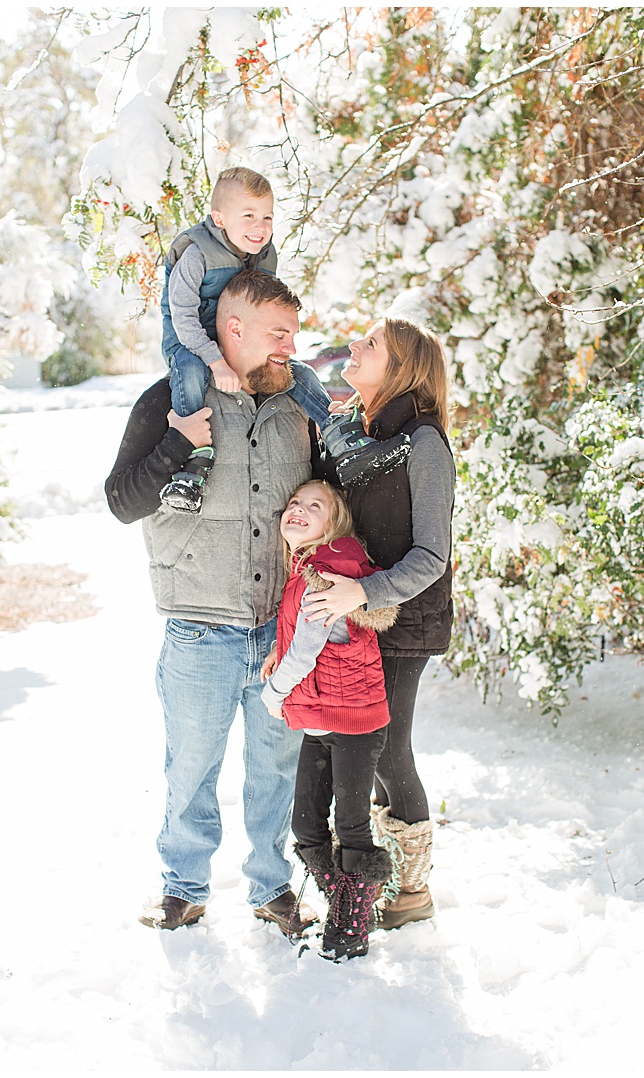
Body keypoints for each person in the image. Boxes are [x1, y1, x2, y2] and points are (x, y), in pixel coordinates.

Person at [106, 268, 322, 935]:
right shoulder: (170, 397)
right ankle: (182, 887)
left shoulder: (301, 407)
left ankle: (272, 887)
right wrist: (178, 439)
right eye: (277, 331)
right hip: (199, 629)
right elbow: (122, 501)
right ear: (234, 329)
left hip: (278, 632)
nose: (292, 341)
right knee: (191, 767)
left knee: (275, 771)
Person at [301, 317, 456, 930]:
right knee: (352, 748)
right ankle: (368, 877)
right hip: (346, 621)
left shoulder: (424, 445)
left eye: (371, 345)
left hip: (403, 620)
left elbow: (431, 555)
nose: (354, 347)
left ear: (399, 369)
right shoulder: (346, 432)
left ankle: (410, 886)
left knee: (389, 749)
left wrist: (362, 593)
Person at [158, 166, 407, 513]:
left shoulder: (262, 253)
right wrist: (215, 360)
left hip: (238, 343)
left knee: (299, 373)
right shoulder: (195, 253)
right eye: (248, 216)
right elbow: (182, 317)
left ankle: (342, 440)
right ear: (219, 218)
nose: (260, 227)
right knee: (190, 374)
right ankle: (192, 469)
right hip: (190, 342)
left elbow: (263, 306)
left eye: (267, 217)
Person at [260, 479, 397, 960]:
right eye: (293, 502)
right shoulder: (307, 568)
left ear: (334, 523)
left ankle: (349, 930)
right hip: (323, 717)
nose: (297, 510)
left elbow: (308, 648)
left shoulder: (329, 571)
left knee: (352, 825)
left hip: (354, 721)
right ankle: (351, 903)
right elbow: (305, 638)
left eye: (313, 506)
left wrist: (274, 694)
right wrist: (279, 654)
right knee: (308, 825)